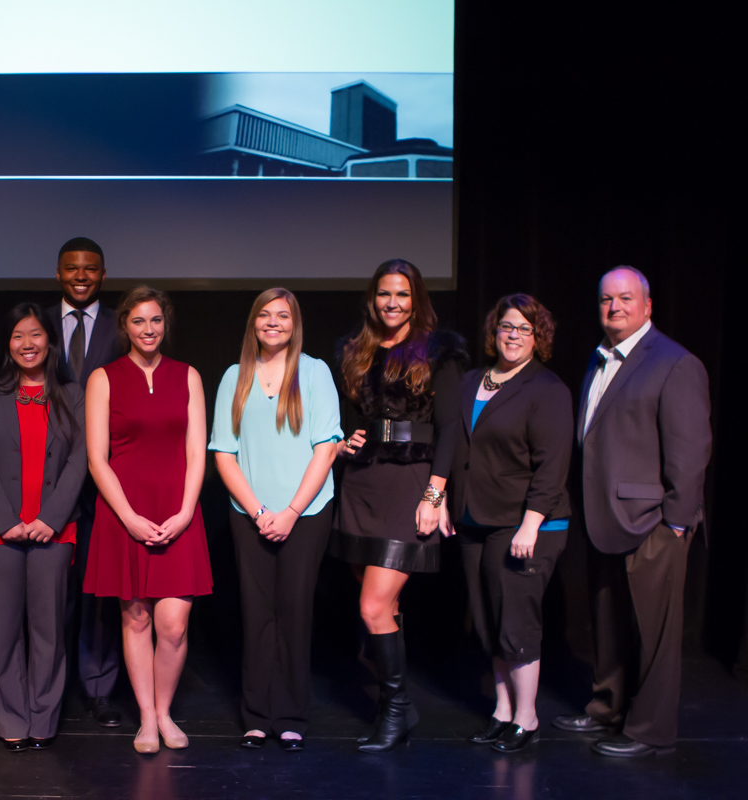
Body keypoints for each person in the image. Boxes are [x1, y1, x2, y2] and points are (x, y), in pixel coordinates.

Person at [552, 267, 711, 758]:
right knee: (609, 623)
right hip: (605, 519)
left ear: (647, 306)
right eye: (606, 299)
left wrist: (676, 523)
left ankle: (650, 730)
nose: (614, 307)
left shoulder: (674, 362)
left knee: (655, 635)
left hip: (655, 524)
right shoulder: (599, 359)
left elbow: (691, 451)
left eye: (625, 298)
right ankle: (607, 708)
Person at [332, 258, 466, 753]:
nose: (393, 303)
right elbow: (354, 414)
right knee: (380, 604)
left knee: (373, 606)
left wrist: (435, 493)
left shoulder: (439, 349)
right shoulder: (355, 349)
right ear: (373, 298)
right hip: (362, 482)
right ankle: (398, 705)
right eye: (385, 294)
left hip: (410, 482)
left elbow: (451, 427)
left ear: (417, 300)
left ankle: (395, 710)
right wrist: (347, 442)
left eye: (403, 294)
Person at [432, 294, 572, 753]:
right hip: (475, 519)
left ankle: (527, 717)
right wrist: (445, 497)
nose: (513, 335)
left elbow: (552, 465)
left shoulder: (547, 389)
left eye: (524, 329)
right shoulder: (473, 379)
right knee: (490, 622)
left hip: (525, 524)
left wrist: (531, 524)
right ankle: (502, 710)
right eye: (506, 327)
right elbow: (456, 445)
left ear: (539, 337)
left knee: (516, 622)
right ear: (494, 332)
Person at [209, 288, 342, 752]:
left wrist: (289, 512)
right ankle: (256, 716)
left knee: (294, 613)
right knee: (256, 614)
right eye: (264, 315)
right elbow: (223, 454)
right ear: (253, 323)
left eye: (281, 315)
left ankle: (289, 716)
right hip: (250, 515)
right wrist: (261, 511)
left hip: (306, 514)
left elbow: (327, 447)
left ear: (294, 323)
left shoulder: (316, 372)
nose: (272, 322)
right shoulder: (234, 376)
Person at [84, 286, 212, 754]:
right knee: (136, 617)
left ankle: (165, 710)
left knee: (173, 622)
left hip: (179, 509)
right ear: (125, 327)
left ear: (166, 323)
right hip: (125, 510)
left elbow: (198, 451)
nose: (148, 329)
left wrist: (184, 511)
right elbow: (98, 459)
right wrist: (129, 518)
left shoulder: (188, 376)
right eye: (138, 321)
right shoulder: (105, 377)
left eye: (156, 320)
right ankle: (147, 719)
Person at [0, 303, 88, 752]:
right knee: (3, 630)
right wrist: (7, 520)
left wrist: (49, 520)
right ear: (7, 343)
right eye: (18, 336)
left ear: (50, 341)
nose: (27, 344)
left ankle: (43, 719)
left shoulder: (73, 394)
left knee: (49, 630)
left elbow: (80, 460)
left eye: (35, 334)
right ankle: (11, 718)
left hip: (55, 531)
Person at [46, 237, 126, 728]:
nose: (81, 276)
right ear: (58, 272)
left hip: (107, 476)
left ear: (103, 273)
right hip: (45, 477)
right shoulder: (36, 325)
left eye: (90, 269)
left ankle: (99, 688)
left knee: (99, 590)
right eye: (72, 268)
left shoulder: (124, 325)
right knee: (50, 591)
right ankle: (49, 689)